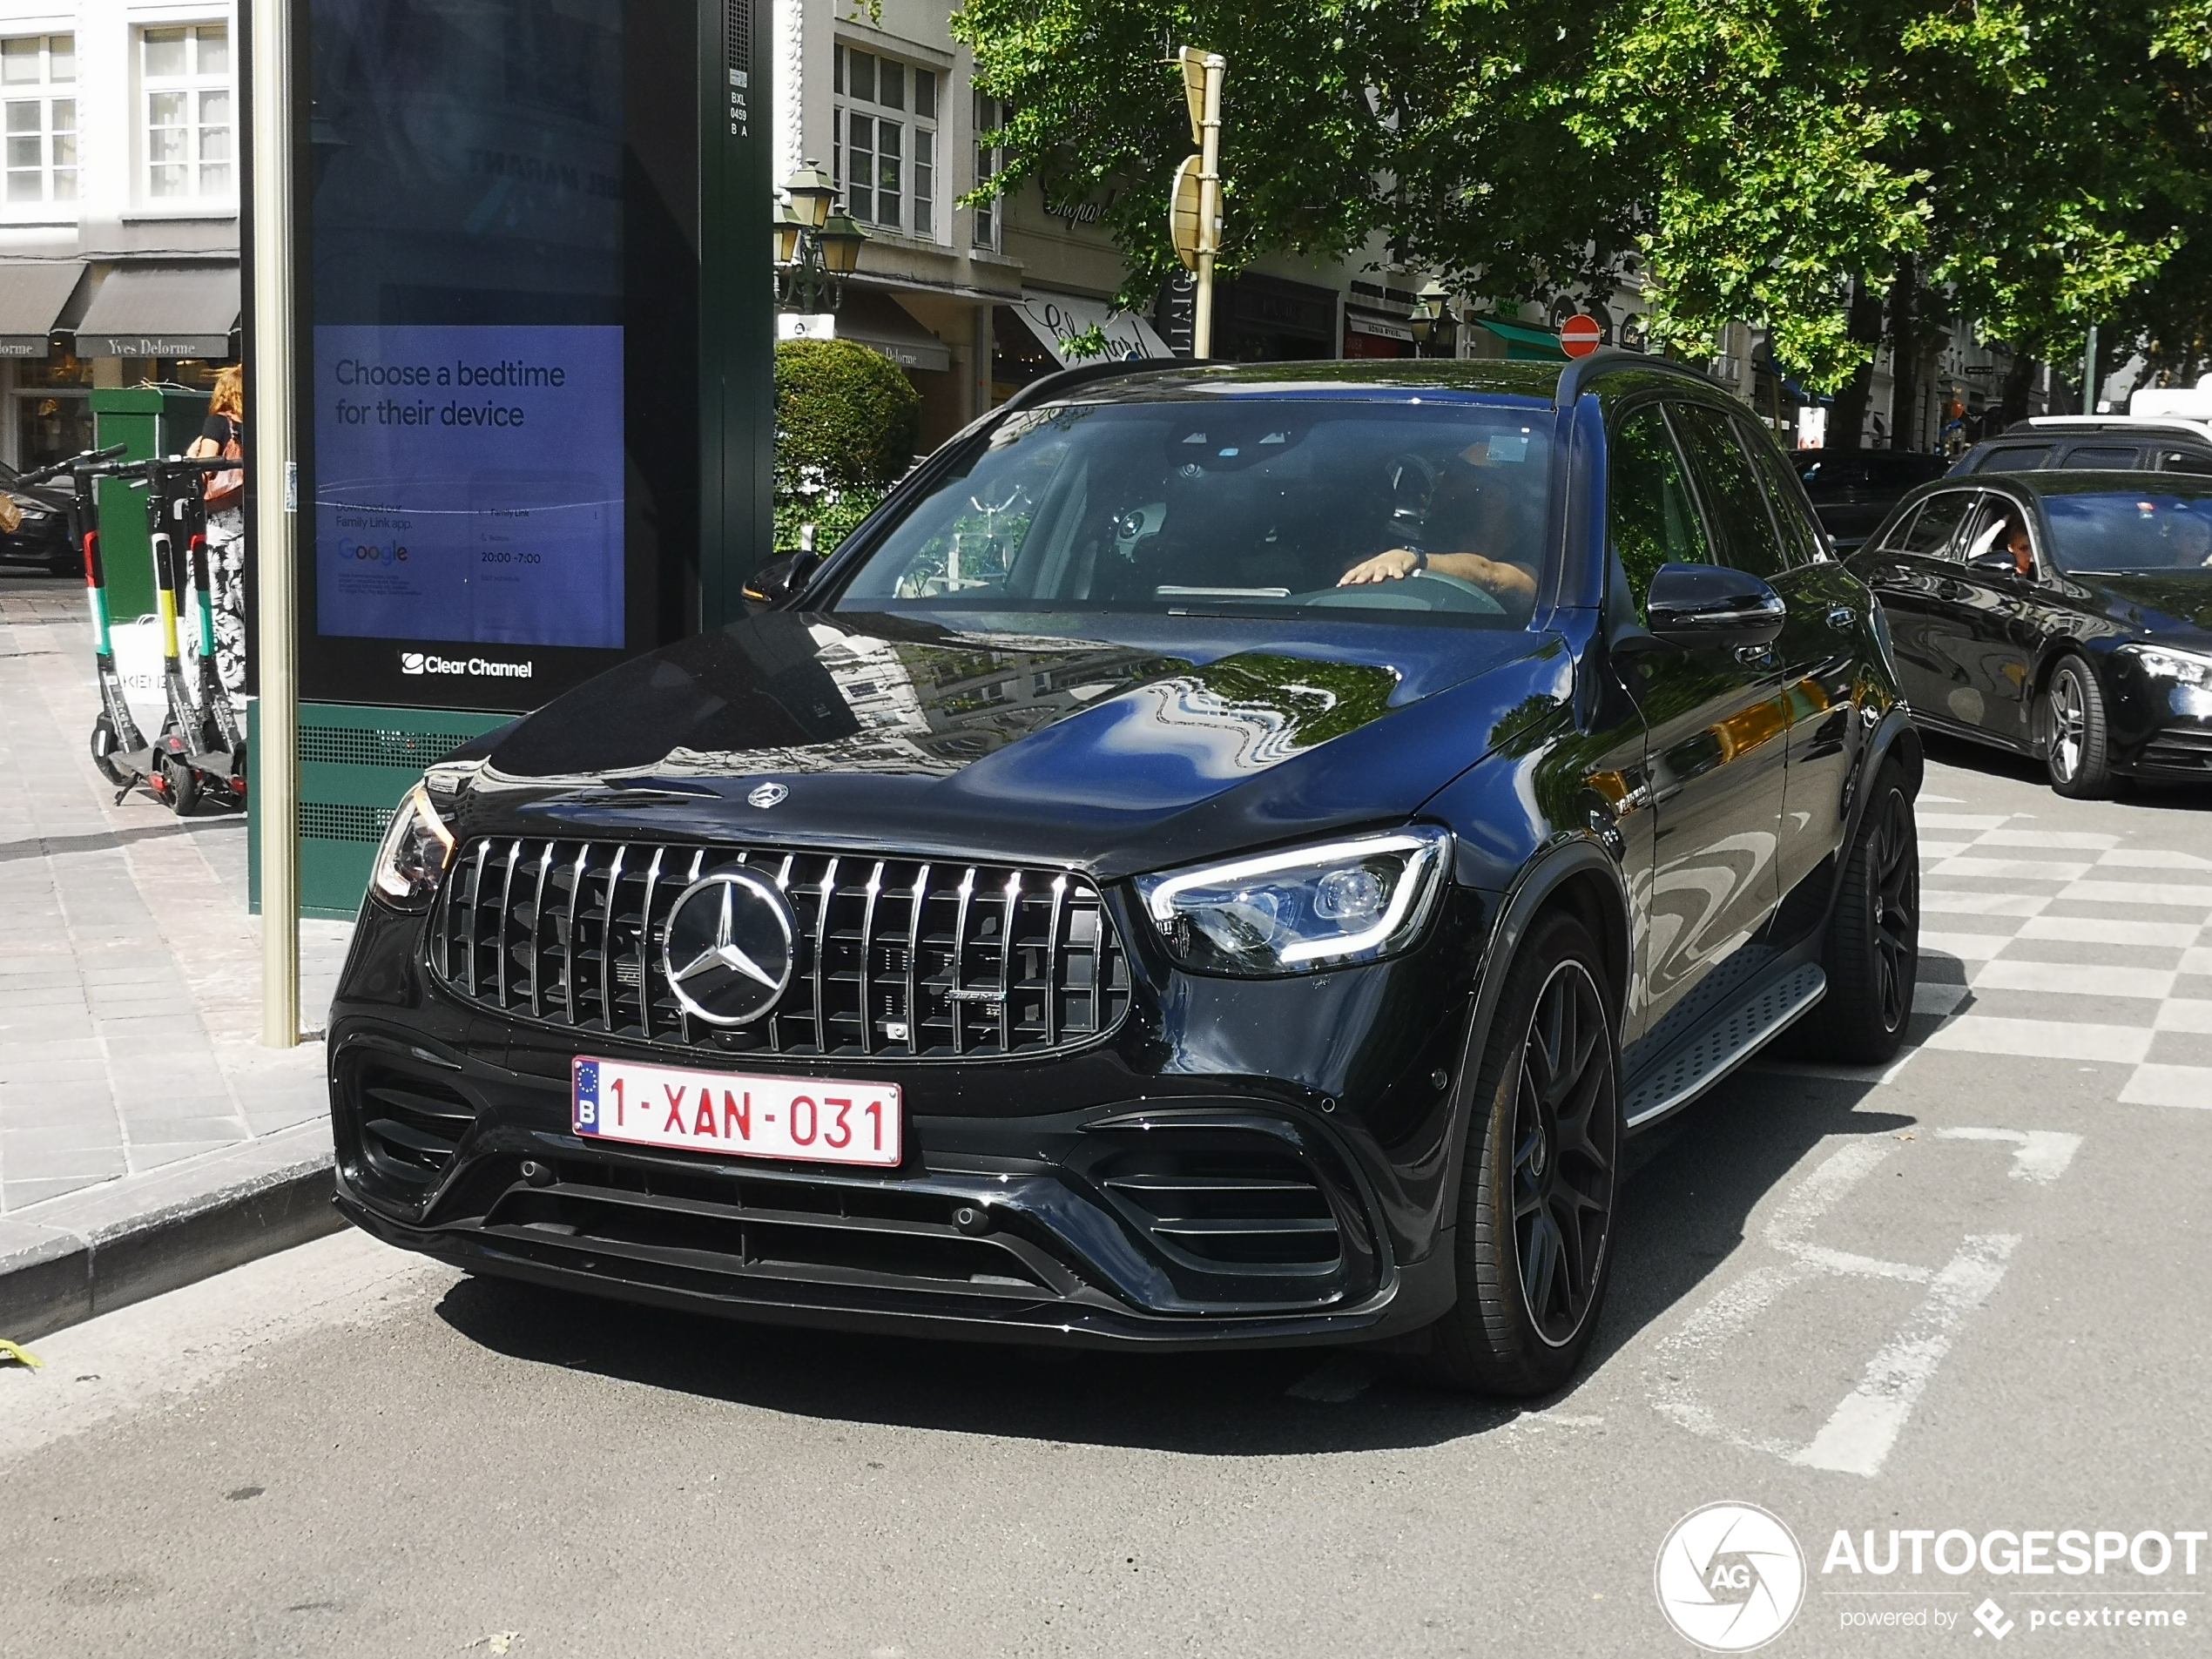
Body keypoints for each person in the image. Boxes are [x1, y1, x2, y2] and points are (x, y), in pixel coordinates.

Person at [1337, 442, 1539, 603]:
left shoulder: (1533, 562)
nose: (1436, 482)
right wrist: (1374, 570)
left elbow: (1492, 575)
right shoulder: (1440, 547)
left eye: (1452, 478)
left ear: (1493, 497)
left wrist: (1413, 559)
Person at [186, 366, 246, 708]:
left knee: (217, 608)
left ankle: (221, 688)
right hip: (249, 527)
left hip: (221, 529)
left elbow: (206, 468)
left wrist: (192, 454)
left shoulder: (218, 423)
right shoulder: (263, 422)